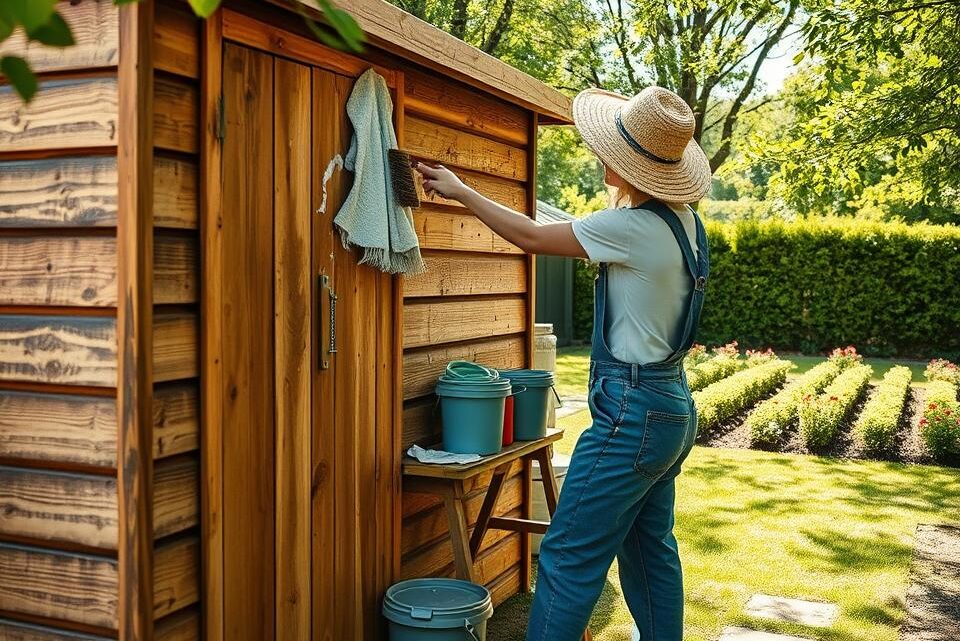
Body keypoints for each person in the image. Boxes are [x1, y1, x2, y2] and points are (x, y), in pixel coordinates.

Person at [415, 84, 711, 641]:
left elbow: (530, 235)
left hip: (632, 415)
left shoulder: (632, 228)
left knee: (569, 553)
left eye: (609, 149)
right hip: (671, 406)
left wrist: (461, 190)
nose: (600, 156)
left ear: (633, 163)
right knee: (650, 550)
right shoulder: (685, 224)